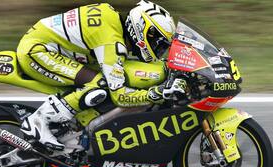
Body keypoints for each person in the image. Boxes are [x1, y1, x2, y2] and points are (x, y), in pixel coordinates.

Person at [17, 0, 187, 152]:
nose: (159, 51)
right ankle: (38, 121)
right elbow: (120, 96)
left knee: (105, 78)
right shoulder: (111, 42)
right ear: (143, 31)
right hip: (37, 51)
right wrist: (156, 93)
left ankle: (74, 126)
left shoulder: (112, 19)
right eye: (158, 43)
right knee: (99, 84)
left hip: (45, 43)